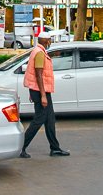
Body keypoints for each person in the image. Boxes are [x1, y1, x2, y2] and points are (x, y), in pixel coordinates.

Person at [20, 29, 68, 157]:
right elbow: (39, 75)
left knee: (50, 119)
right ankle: (21, 147)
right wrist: (42, 96)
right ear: (46, 41)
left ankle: (55, 148)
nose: (50, 42)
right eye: (50, 40)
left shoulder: (38, 51)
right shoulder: (40, 53)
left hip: (40, 90)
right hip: (41, 91)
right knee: (39, 119)